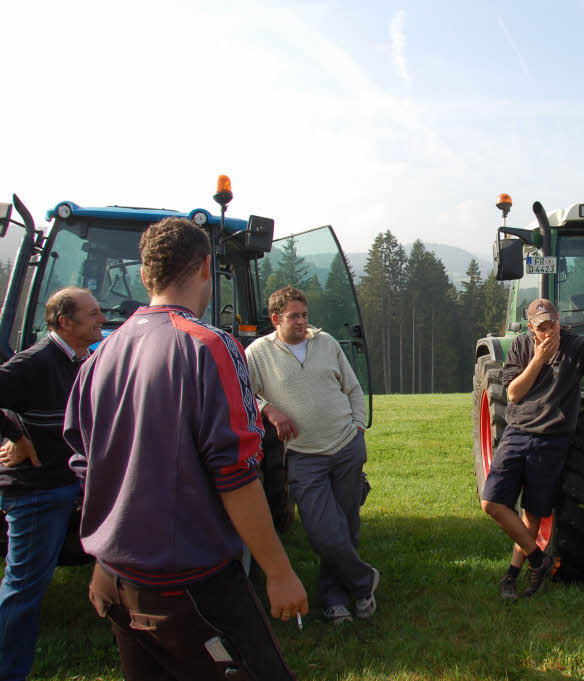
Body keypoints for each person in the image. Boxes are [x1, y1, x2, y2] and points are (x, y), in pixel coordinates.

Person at [63, 218, 307, 681]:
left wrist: (103, 563)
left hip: (119, 584)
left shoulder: (98, 355)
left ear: (143, 275)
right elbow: (234, 473)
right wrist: (278, 571)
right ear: (205, 269)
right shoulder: (211, 346)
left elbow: (87, 466)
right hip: (194, 587)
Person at [245, 285, 377, 625]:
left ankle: (337, 601)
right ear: (276, 319)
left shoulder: (326, 343)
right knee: (323, 531)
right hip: (304, 457)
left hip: (347, 447)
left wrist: (359, 428)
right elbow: (242, 394)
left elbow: (353, 388)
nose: (303, 322)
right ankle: (364, 582)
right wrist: (269, 410)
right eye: (294, 316)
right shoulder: (258, 353)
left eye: (305, 315)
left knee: (346, 527)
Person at [480, 298, 584, 600]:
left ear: (559, 320)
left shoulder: (574, 346)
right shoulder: (521, 347)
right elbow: (513, 394)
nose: (549, 332)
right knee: (491, 503)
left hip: (552, 438)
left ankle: (512, 574)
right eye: (542, 327)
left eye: (553, 324)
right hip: (518, 432)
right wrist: (538, 360)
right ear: (532, 329)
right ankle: (539, 559)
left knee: (533, 513)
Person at [0, 287, 105, 681]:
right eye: (93, 314)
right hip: (38, 491)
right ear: (65, 322)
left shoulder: (83, 360)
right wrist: (17, 437)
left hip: (74, 483)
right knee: (25, 588)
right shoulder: (35, 361)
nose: (101, 319)